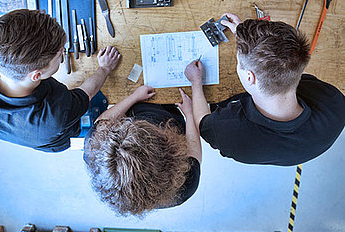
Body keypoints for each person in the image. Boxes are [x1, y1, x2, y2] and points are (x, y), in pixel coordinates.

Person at [185, 13, 345, 166]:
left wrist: (196, 82)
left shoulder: (232, 134)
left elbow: (201, 123)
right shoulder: (334, 102)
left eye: (239, 61)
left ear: (250, 77)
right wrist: (251, 41)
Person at [0, 9, 121, 152]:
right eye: (60, 54)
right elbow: (86, 93)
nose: (64, 53)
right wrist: (105, 68)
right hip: (57, 137)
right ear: (36, 75)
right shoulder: (55, 114)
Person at [84, 86, 202, 216]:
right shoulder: (184, 187)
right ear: (167, 153)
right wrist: (190, 115)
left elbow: (103, 122)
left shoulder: (97, 151)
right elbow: (194, 151)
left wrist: (134, 97)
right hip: (172, 115)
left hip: (137, 106)